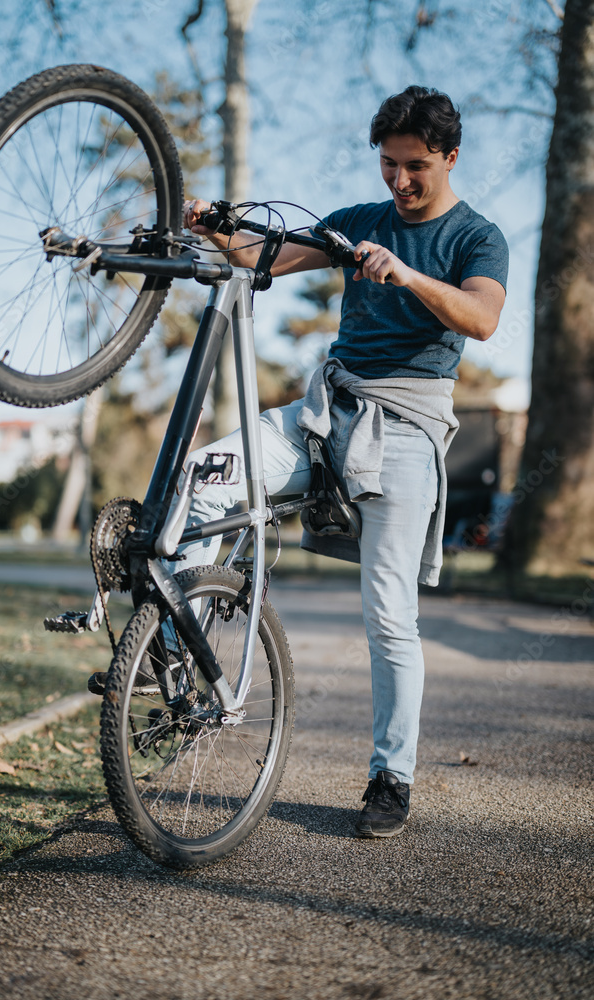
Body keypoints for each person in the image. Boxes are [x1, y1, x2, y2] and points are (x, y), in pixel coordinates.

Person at [180, 85, 509, 838]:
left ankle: (389, 778)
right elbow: (265, 258)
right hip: (324, 410)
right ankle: (176, 653)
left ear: (450, 157)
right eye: (387, 165)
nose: (397, 181)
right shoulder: (357, 223)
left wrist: (408, 275)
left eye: (414, 166)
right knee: (200, 483)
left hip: (406, 426)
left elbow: (482, 318)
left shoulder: (476, 236)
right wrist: (205, 224)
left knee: (389, 617)